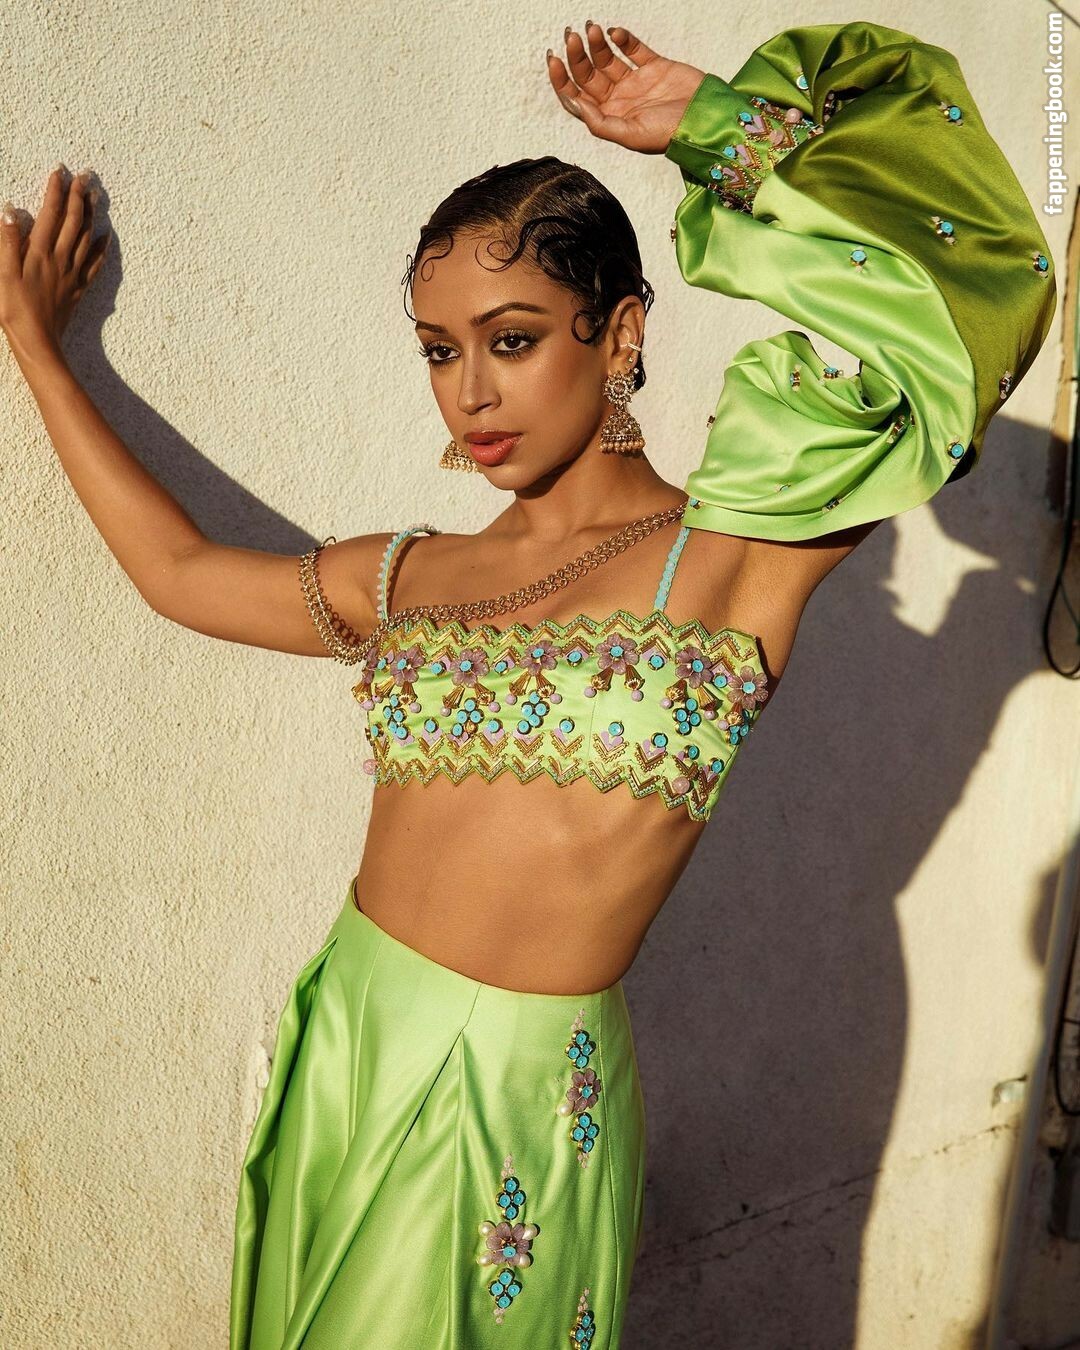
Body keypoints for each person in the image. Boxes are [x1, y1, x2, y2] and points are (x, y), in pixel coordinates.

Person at [0, 18, 1055, 1350]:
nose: (471, 393)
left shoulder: (731, 555)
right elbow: (181, 571)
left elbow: (962, 320)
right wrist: (36, 346)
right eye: (440, 350)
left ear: (619, 333)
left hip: (515, 1093)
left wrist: (714, 129)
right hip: (350, 1037)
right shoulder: (411, 573)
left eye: (510, 339)